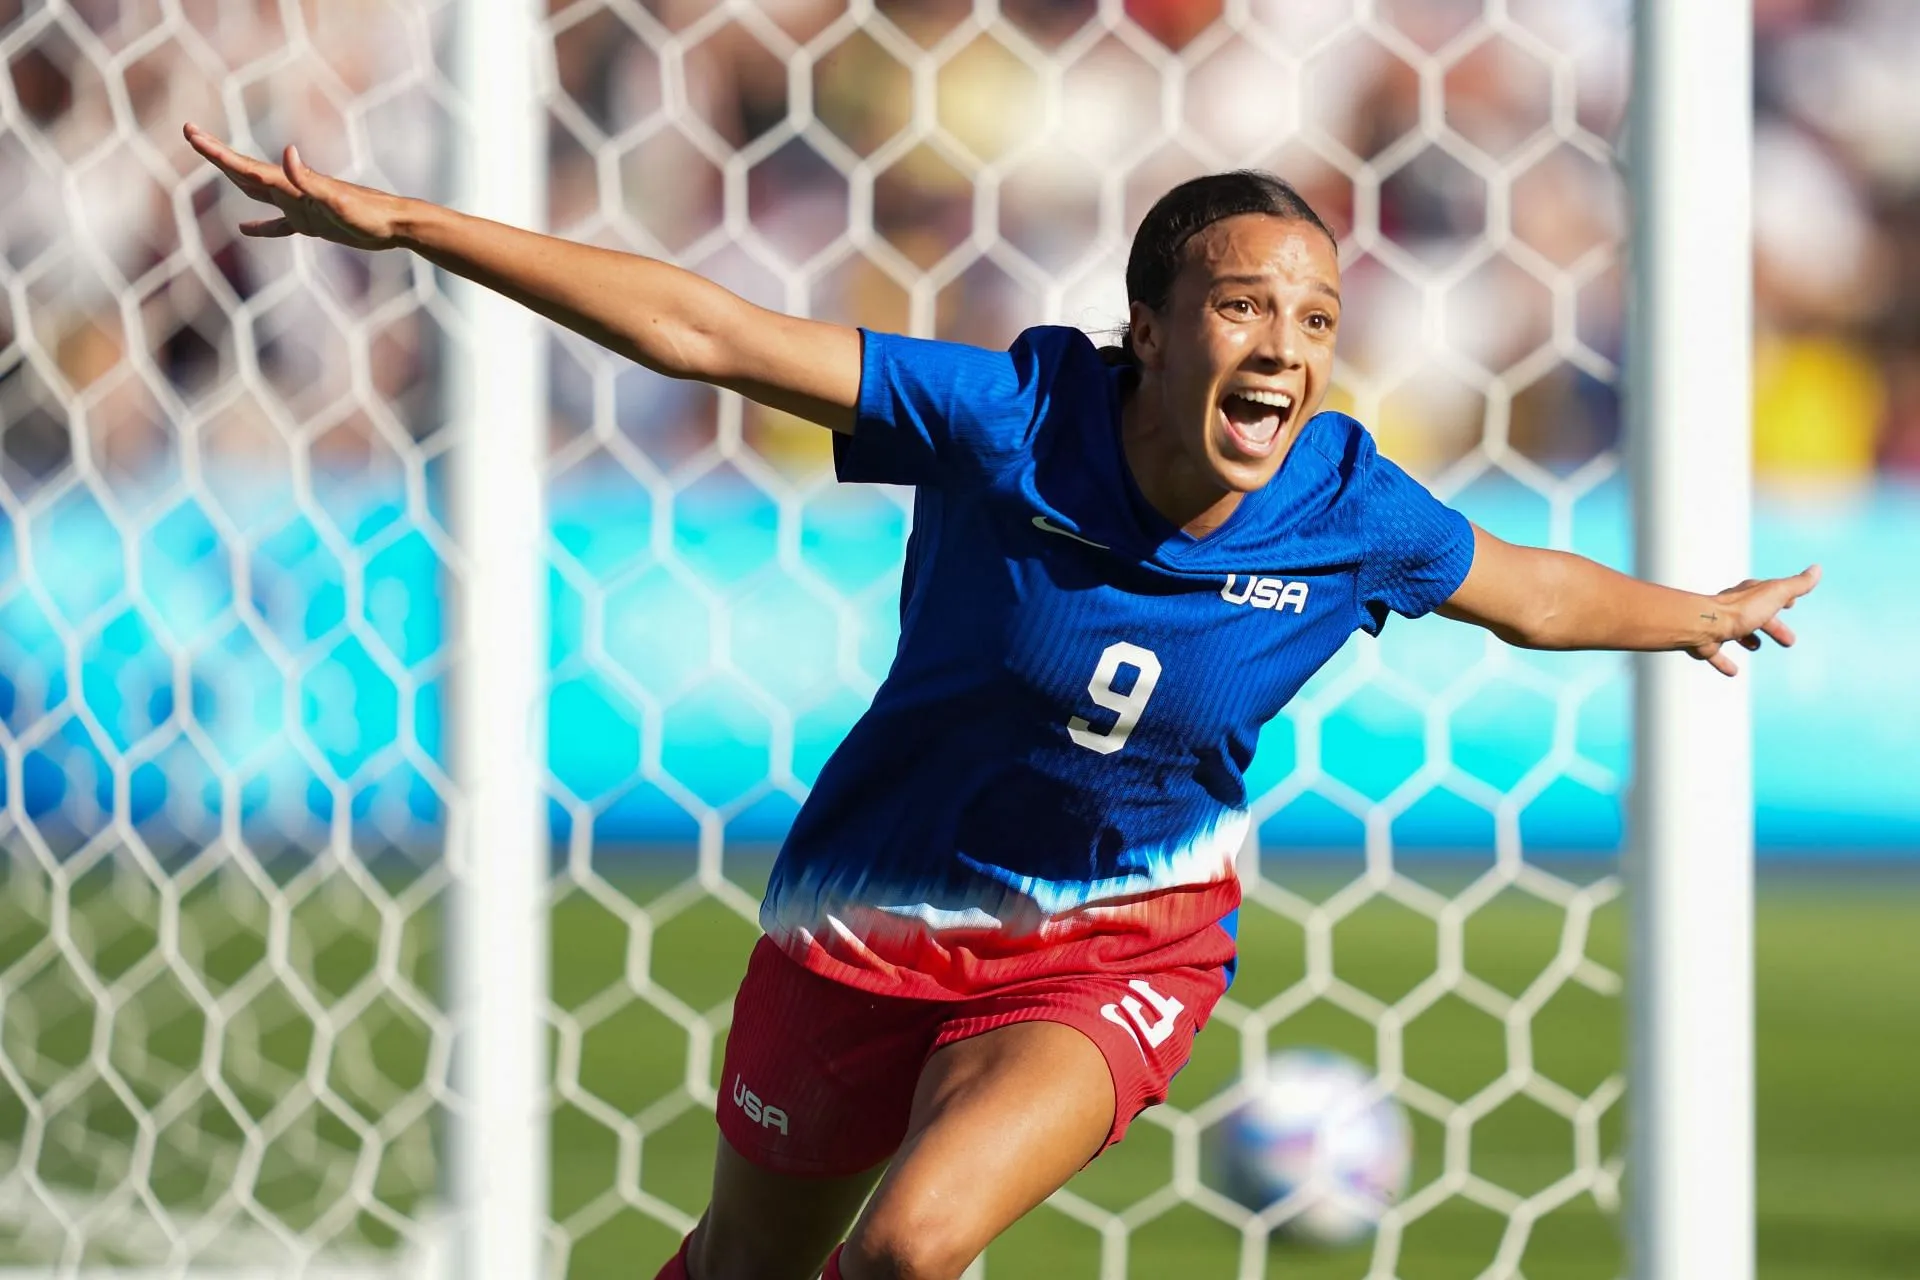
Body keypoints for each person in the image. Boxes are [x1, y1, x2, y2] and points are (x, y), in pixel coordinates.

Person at [184, 125, 1818, 1280]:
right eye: (1246, 304)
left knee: (912, 1245)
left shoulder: (1347, 503)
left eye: (1316, 318)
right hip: (866, 914)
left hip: (1121, 935)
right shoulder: (1008, 415)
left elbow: (1524, 588)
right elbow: (704, 329)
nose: (1287, 347)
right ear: (1155, 326)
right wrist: (410, 227)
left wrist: (1695, 617)